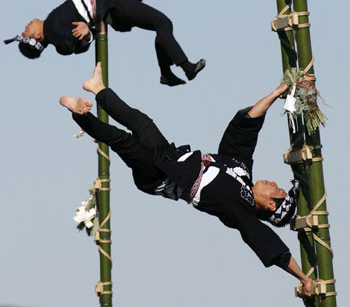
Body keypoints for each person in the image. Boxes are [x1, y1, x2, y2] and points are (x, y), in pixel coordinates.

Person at [60, 63, 313, 298]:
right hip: (171, 156)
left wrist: (304, 278)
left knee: (123, 141)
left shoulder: (241, 211)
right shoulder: (241, 168)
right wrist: (277, 91)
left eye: (277, 190)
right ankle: (98, 89)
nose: (274, 183)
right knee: (141, 122)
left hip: (160, 176)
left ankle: (79, 114)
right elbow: (246, 126)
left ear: (270, 205)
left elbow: (270, 245)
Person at [4, 0, 205, 87]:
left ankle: (167, 73)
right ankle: (182, 68)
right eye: (25, 32)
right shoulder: (54, 32)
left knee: (160, 26)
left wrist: (86, 33)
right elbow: (74, 45)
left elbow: (71, 44)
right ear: (38, 37)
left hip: (110, 3)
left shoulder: (53, 25)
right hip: (111, 5)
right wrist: (87, 34)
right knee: (162, 23)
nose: (26, 26)